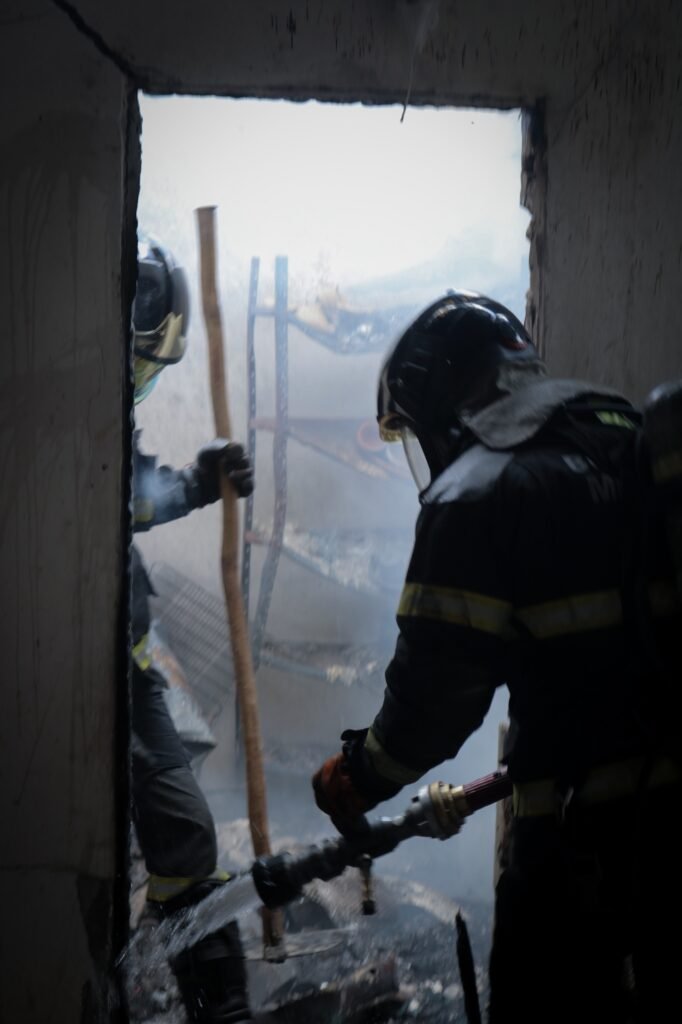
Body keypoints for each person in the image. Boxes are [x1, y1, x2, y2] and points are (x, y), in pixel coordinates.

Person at [311, 291, 682, 1024]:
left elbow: (433, 704)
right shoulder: (631, 432)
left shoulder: (476, 493)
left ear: (447, 401)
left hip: (579, 851)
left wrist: (358, 776)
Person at [131, 234, 254, 1024]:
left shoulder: (96, 399)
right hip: (104, 669)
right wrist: (199, 485)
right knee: (183, 840)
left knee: (185, 845)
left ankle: (221, 1011)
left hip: (128, 666)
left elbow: (129, 493)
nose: (151, 368)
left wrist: (200, 483)